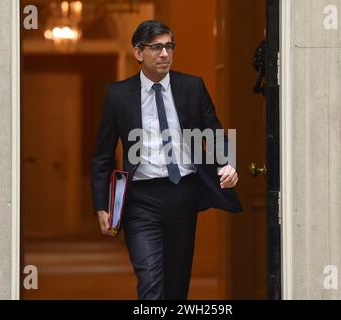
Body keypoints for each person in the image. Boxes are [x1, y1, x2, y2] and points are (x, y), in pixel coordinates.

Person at [91, 20, 242, 300]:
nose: (165, 54)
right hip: (140, 199)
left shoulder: (192, 87)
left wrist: (228, 163)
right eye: (157, 47)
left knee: (176, 282)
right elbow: (102, 155)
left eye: (169, 46)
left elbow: (215, 130)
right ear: (138, 53)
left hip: (183, 194)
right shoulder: (118, 95)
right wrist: (102, 205)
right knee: (149, 276)